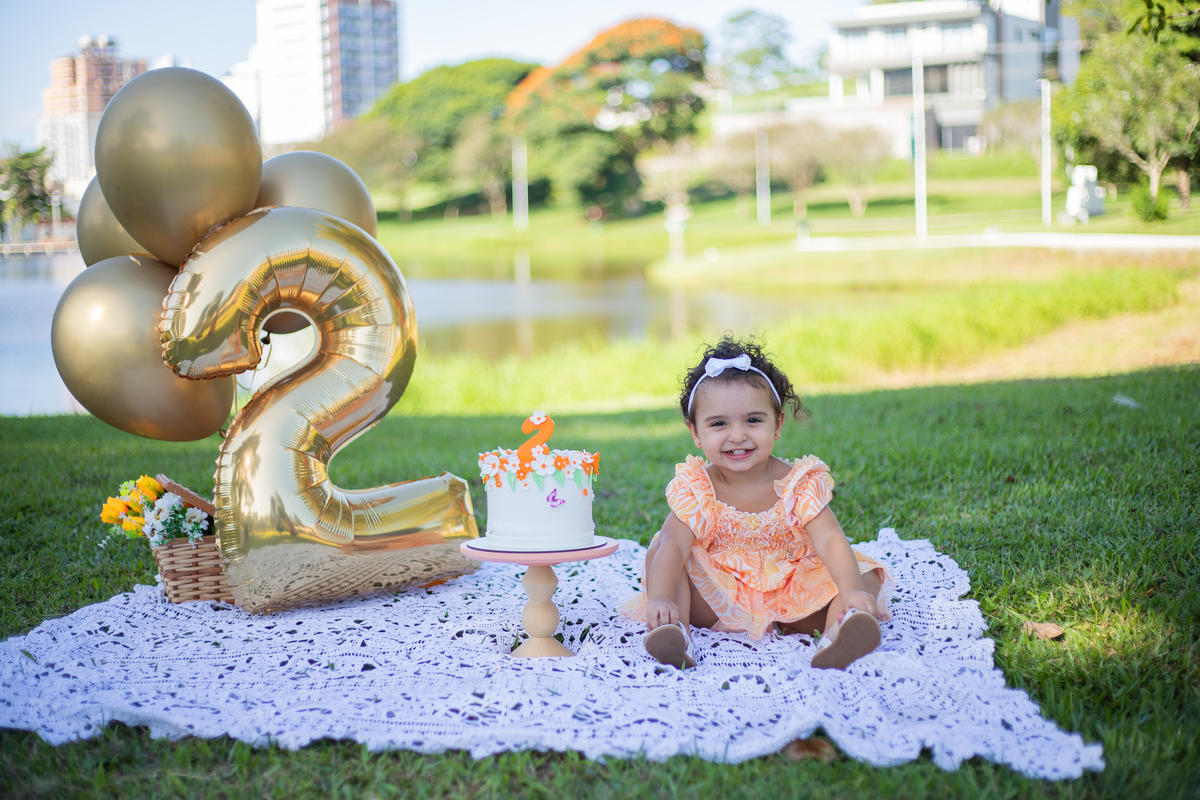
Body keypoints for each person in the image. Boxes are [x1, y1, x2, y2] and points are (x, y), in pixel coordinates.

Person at [619, 335, 894, 670]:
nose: (738, 435)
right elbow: (675, 545)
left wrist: (850, 588)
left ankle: (841, 628)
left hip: (793, 592)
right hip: (719, 600)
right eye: (719, 424)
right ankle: (673, 629)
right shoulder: (698, 487)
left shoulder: (798, 483)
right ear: (695, 432)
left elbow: (830, 539)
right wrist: (660, 598)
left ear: (777, 424)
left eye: (753, 420)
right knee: (663, 549)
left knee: (864, 575)